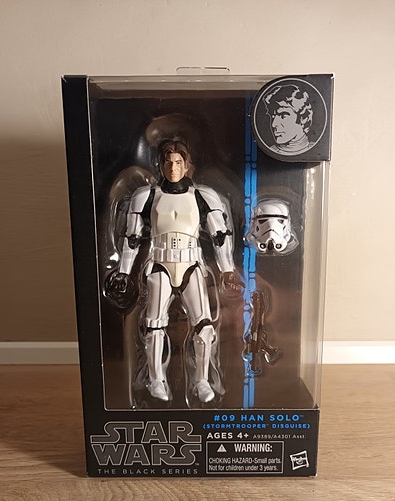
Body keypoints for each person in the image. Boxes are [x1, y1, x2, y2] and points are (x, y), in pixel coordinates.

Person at [107, 139, 243, 404]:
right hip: (159, 264)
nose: (173, 168)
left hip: (191, 265)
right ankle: (156, 379)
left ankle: (201, 381)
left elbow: (220, 236)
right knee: (154, 325)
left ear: (187, 164)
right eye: (168, 162)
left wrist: (227, 269)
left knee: (204, 327)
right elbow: (132, 238)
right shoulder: (146, 196)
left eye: (178, 162)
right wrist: (123, 271)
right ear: (160, 164)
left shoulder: (202, 196)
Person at [263, 85, 313, 155]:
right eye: (273, 116)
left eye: (283, 116)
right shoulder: (267, 152)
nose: (273, 124)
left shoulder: (318, 149)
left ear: (303, 119)